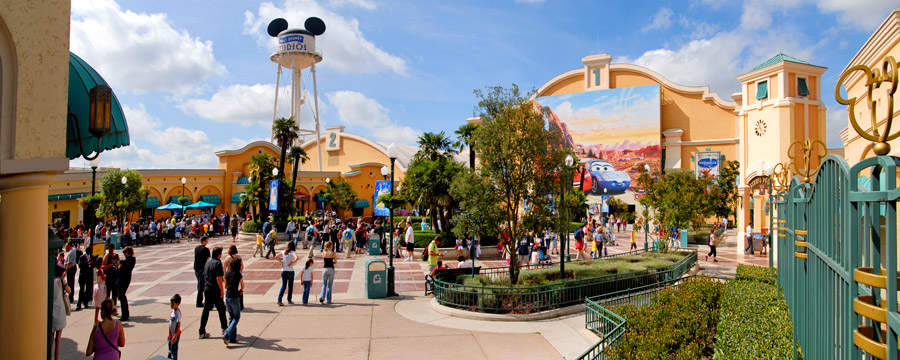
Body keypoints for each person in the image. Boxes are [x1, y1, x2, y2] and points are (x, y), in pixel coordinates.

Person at [199, 246, 226, 339]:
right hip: (215, 288)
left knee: (206, 310)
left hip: (207, 288)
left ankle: (201, 331)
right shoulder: (218, 263)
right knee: (221, 309)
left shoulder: (208, 262)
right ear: (219, 255)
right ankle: (225, 328)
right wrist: (222, 291)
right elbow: (219, 278)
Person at [223, 256, 243, 345]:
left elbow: (225, 286)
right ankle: (227, 334)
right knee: (236, 317)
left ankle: (232, 338)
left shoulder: (227, 272)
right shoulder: (238, 273)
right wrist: (241, 290)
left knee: (231, 317)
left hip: (227, 296)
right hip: (235, 296)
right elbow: (242, 285)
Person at [52, 252, 68, 360]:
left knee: (51, 339)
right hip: (60, 312)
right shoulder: (61, 282)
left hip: (52, 313)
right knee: (58, 340)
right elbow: (69, 291)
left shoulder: (50, 283)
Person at [276, 241, 299, 306]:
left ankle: (279, 299)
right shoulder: (292, 252)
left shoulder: (283, 252)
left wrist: (281, 262)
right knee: (290, 286)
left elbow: (276, 256)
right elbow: (296, 258)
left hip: (284, 270)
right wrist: (292, 262)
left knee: (283, 285)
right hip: (290, 270)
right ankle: (289, 299)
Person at [118, 246, 136, 321]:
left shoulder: (128, 261)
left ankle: (125, 315)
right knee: (122, 296)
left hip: (123, 279)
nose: (124, 254)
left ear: (127, 253)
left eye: (125, 253)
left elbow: (122, 269)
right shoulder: (131, 259)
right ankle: (125, 314)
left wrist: (119, 266)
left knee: (122, 296)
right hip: (127, 278)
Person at [193, 236, 210, 307]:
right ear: (203, 241)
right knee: (202, 286)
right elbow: (209, 259)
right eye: (206, 241)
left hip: (196, 268)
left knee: (199, 284)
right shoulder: (206, 249)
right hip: (202, 269)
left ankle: (200, 300)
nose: (207, 243)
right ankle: (199, 302)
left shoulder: (196, 248)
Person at [76, 245, 94, 311]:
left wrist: (92, 263)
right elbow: (80, 265)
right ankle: (79, 304)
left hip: (89, 276)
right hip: (83, 275)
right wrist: (87, 263)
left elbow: (93, 265)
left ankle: (85, 302)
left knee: (88, 290)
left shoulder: (92, 256)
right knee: (81, 290)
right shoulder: (82, 257)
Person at [168, 294, 182, 360]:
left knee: (174, 351)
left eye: (172, 303)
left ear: (178, 304)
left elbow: (178, 324)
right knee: (170, 351)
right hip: (171, 335)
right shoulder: (172, 312)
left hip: (175, 336)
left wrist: (175, 335)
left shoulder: (177, 313)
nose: (171, 305)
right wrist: (169, 336)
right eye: (171, 303)